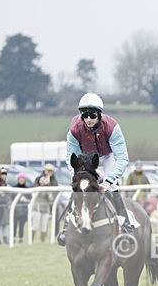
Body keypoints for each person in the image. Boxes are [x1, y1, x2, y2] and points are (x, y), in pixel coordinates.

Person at [58, 92, 133, 246]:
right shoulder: (74, 129)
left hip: (107, 156)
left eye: (92, 115)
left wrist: (108, 181)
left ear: (99, 114)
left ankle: (125, 223)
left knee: (112, 186)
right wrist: (78, 175)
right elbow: (70, 157)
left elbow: (122, 158)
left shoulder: (112, 127)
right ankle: (66, 226)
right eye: (84, 116)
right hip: (85, 159)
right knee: (80, 187)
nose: (88, 120)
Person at [31, 173, 55, 243]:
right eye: (41, 180)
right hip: (36, 209)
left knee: (44, 226)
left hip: (45, 209)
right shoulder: (37, 188)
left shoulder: (49, 188)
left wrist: (48, 185)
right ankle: (31, 240)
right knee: (35, 225)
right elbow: (42, 194)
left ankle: (43, 242)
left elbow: (51, 199)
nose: (43, 181)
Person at [12, 173, 30, 243]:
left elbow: (30, 199)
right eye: (20, 179)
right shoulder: (14, 188)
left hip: (24, 210)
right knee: (14, 225)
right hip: (15, 210)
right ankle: (13, 238)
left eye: (23, 179)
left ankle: (20, 238)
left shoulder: (28, 189)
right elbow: (10, 198)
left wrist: (26, 200)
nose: (21, 180)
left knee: (21, 225)